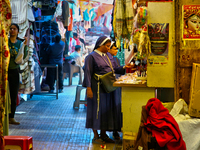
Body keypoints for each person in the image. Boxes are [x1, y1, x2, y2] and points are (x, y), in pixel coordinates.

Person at [82, 36, 134, 144]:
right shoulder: (91, 57)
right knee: (95, 110)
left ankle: (104, 134)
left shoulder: (107, 56)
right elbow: (87, 73)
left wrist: (124, 67)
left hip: (107, 88)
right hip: (96, 88)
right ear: (101, 45)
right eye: (107, 46)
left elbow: (114, 69)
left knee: (105, 111)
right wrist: (88, 88)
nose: (108, 48)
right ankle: (96, 136)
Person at [8, 23, 28, 125]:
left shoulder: (19, 44)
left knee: (13, 94)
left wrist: (25, 45)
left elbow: (24, 56)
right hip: (5, 71)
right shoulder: (5, 42)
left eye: (14, 29)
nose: (12, 30)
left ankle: (11, 117)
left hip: (15, 71)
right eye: (10, 28)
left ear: (18, 31)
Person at [108, 41, 122, 140]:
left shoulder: (116, 59)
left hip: (117, 85)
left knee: (117, 107)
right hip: (110, 85)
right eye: (114, 48)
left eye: (117, 48)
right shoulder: (107, 59)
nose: (116, 50)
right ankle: (113, 129)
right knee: (113, 107)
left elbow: (118, 70)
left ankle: (116, 129)